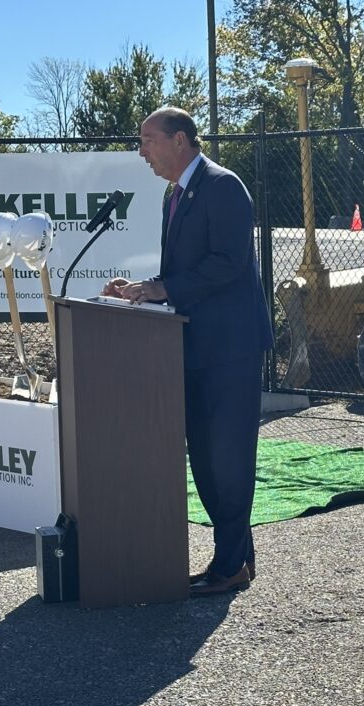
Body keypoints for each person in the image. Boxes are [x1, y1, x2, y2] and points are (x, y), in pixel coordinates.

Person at [103, 106, 273, 597]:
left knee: (228, 458)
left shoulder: (223, 186)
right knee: (205, 457)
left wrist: (162, 288)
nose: (142, 152)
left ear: (179, 140)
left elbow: (228, 262)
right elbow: (184, 272)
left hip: (230, 348)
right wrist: (141, 288)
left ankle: (230, 566)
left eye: (148, 140)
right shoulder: (174, 194)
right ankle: (237, 558)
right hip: (195, 345)